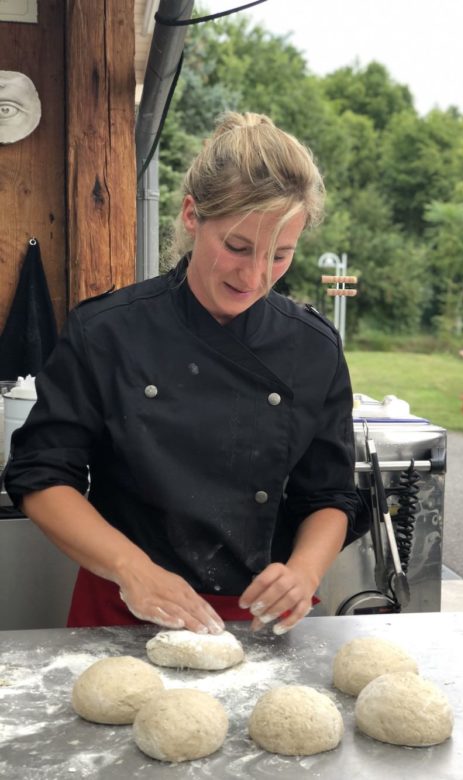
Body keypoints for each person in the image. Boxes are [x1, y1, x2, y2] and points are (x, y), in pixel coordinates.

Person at [3, 112, 361, 636]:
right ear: (193, 215)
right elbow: (41, 476)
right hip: (127, 608)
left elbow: (330, 496)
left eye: (280, 255)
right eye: (238, 248)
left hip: (263, 620)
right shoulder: (107, 332)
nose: (255, 276)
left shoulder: (313, 348)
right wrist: (134, 569)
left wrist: (304, 570)